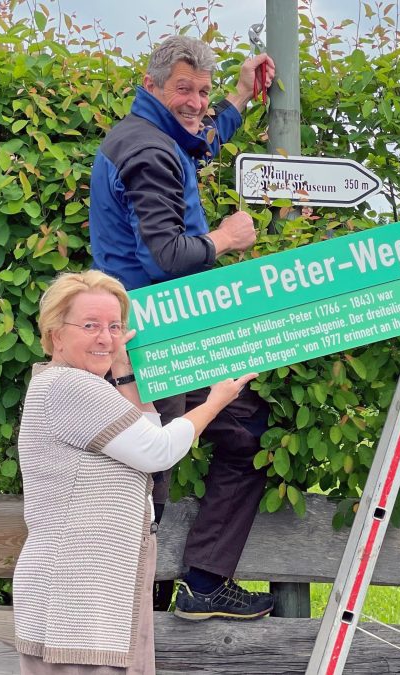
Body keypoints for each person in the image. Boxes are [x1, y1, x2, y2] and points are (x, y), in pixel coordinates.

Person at [88, 35, 277, 620]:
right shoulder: (149, 152)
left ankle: (196, 582)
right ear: (151, 88)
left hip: (163, 327)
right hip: (151, 334)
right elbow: (166, 256)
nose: (196, 102)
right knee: (147, 470)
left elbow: (201, 134)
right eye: (183, 91)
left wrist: (242, 96)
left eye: (203, 91)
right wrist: (227, 237)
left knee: (244, 429)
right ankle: (130, 610)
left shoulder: (151, 135)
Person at [13, 269, 255, 674]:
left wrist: (124, 372)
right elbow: (158, 451)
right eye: (90, 325)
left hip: (84, 591)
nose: (106, 338)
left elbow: (146, 434)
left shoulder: (72, 386)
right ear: (56, 334)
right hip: (78, 595)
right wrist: (216, 400)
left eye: (114, 326)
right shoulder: (72, 387)